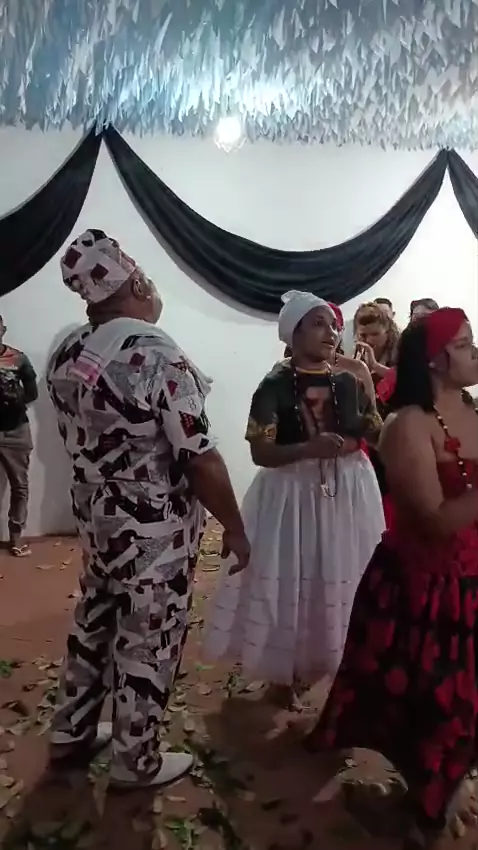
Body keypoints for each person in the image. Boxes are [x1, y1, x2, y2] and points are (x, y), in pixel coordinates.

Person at [47, 229, 249, 789]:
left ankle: (71, 733)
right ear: (135, 282)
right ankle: (136, 763)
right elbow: (199, 457)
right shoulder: (158, 353)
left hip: (97, 524)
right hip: (154, 535)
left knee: (94, 620)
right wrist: (235, 527)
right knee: (149, 637)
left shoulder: (67, 351)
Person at [305, 307, 478, 847]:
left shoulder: (468, 408)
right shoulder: (408, 426)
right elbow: (434, 522)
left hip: (470, 580)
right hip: (427, 590)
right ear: (435, 359)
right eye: (465, 344)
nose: (476, 352)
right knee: (435, 704)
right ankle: (422, 812)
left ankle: (440, 793)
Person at [203, 290, 385, 709]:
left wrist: (357, 442)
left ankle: (331, 666)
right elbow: (260, 452)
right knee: (292, 577)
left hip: (347, 492)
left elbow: (374, 430)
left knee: (340, 573)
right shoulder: (274, 386)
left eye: (333, 325)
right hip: (291, 495)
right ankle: (282, 676)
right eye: (318, 324)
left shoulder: (348, 381)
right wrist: (308, 449)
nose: (331, 332)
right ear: (293, 333)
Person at [0, 315, 38, 556]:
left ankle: (16, 538)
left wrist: (15, 398)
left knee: (20, 487)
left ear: (3, 330)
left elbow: (33, 392)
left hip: (16, 431)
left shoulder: (19, 358)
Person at [353, 301, 400, 382]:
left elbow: (407, 380)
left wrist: (375, 366)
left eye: (375, 334)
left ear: (387, 330)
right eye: (363, 335)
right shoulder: (358, 355)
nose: (369, 340)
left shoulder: (401, 351)